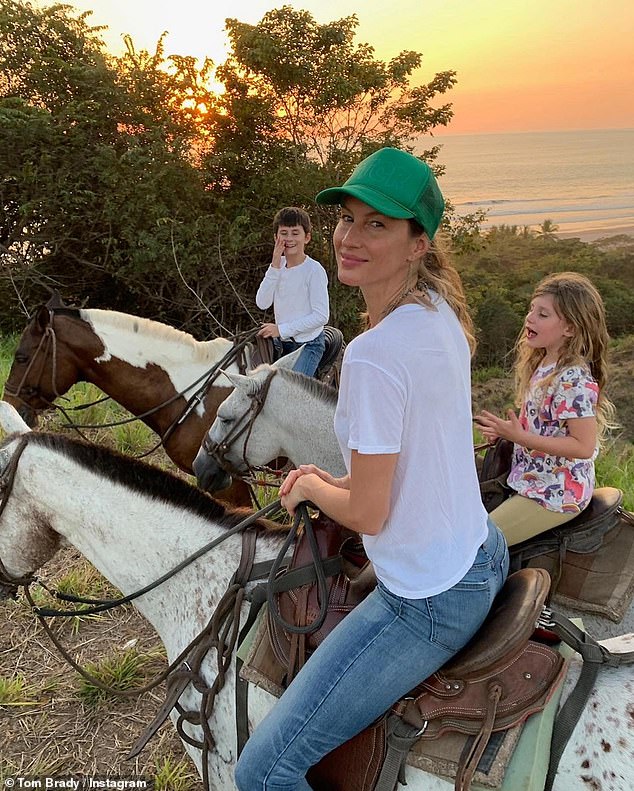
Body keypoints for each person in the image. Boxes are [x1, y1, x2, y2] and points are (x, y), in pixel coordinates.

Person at [235, 148, 509, 791]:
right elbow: (409, 466)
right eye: (346, 219)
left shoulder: (373, 354)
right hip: (480, 549)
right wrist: (339, 485)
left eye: (377, 225)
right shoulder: (437, 314)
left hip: (428, 597)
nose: (349, 239)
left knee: (264, 771)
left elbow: (369, 514)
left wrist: (308, 486)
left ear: (419, 243)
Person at [475, 272, 615, 546]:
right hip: (531, 477)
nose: (529, 318)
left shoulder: (573, 377)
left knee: (480, 542)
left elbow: (583, 446)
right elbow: (545, 426)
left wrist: (521, 438)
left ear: (570, 329)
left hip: (556, 492)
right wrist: (506, 436)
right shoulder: (544, 364)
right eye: (531, 310)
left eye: (543, 314)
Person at [255, 206, 329, 378]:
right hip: (282, 343)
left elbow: (321, 316)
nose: (289, 238)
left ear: (307, 237)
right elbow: (262, 303)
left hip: (308, 344)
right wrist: (274, 265)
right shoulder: (277, 266)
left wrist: (281, 329)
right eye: (284, 233)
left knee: (289, 393)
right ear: (276, 237)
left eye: (295, 233)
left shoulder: (314, 270)